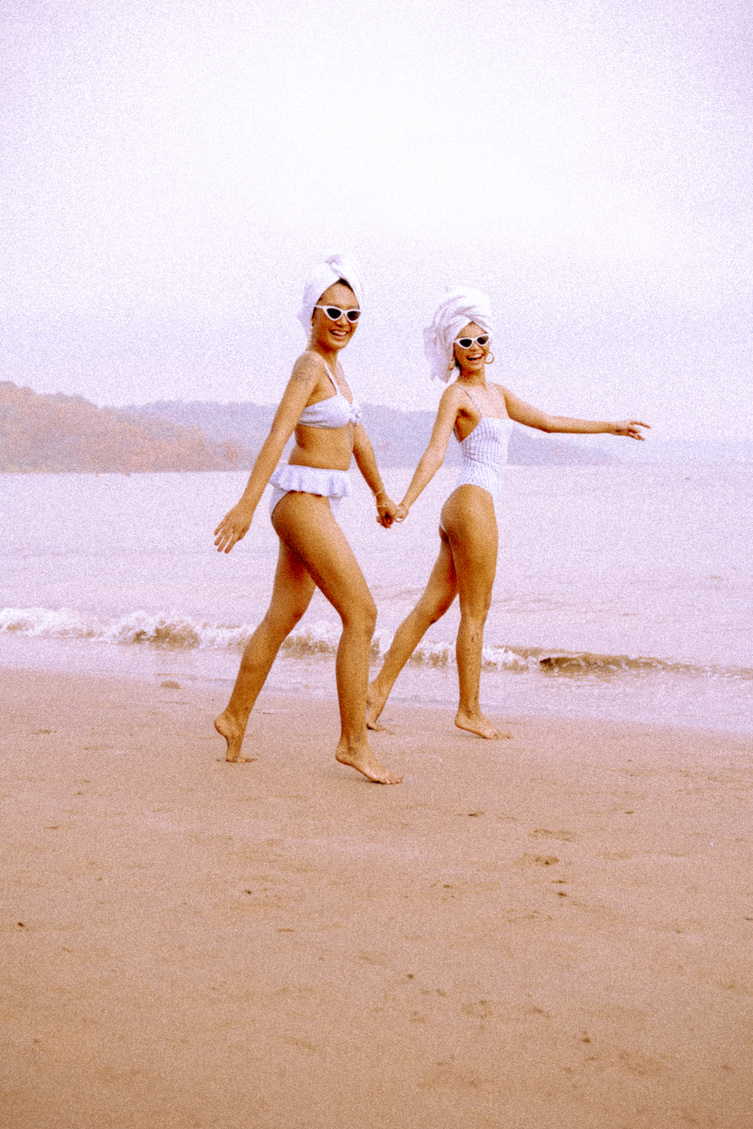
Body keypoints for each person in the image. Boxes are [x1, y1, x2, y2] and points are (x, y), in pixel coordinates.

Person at [366, 288, 649, 739]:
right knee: (474, 614)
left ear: (490, 345)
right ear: (452, 350)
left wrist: (609, 426)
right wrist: (404, 504)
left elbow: (549, 422)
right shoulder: (455, 395)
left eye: (481, 340)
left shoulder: (499, 394)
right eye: (465, 342)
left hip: (464, 506)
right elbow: (435, 452)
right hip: (471, 503)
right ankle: (469, 711)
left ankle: (374, 695)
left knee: (430, 608)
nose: (475, 349)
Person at [213, 253, 402, 784]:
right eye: (333, 312)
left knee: (284, 614)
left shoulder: (337, 371)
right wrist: (247, 504)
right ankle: (352, 742)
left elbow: (357, 437)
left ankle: (233, 718)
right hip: (298, 501)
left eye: (353, 315)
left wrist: (381, 495)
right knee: (361, 614)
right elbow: (278, 434)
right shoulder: (309, 365)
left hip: (316, 499)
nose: (343, 323)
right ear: (312, 313)